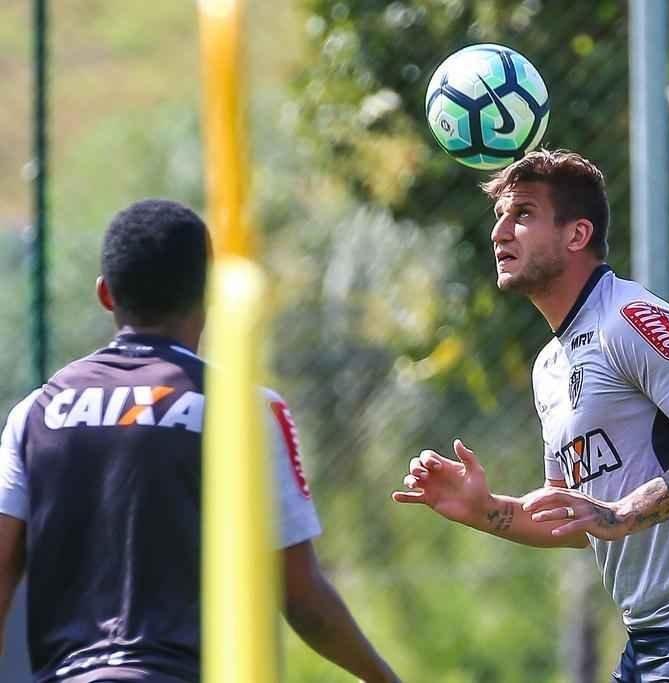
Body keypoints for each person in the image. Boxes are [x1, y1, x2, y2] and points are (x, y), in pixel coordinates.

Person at [393, 150, 669, 682]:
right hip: (650, 641)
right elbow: (575, 519)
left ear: (577, 234)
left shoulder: (629, 318)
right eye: (500, 216)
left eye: (524, 214)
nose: (500, 232)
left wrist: (624, 512)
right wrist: (485, 510)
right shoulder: (549, 367)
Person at [0, 199, 399, 683]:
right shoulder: (244, 410)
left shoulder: (35, 413)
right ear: (208, 294)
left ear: (106, 294)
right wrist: (383, 677)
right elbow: (301, 597)